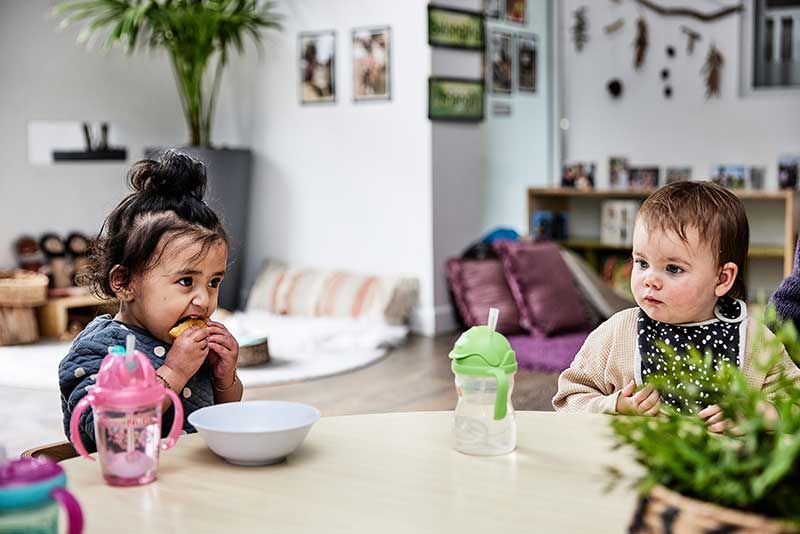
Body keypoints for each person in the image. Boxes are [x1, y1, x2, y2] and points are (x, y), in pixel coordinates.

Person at [552, 181, 800, 432]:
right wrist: (611, 406)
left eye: (673, 268)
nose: (649, 279)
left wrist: (759, 413)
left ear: (722, 278)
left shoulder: (757, 342)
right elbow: (568, 399)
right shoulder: (616, 333)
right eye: (642, 262)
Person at [59, 150, 242, 451]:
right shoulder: (100, 350)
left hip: (192, 481)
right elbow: (108, 431)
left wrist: (225, 378)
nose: (203, 298)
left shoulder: (192, 347)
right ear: (124, 283)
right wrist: (174, 373)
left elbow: (222, 415)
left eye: (214, 282)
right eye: (186, 281)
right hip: (124, 486)